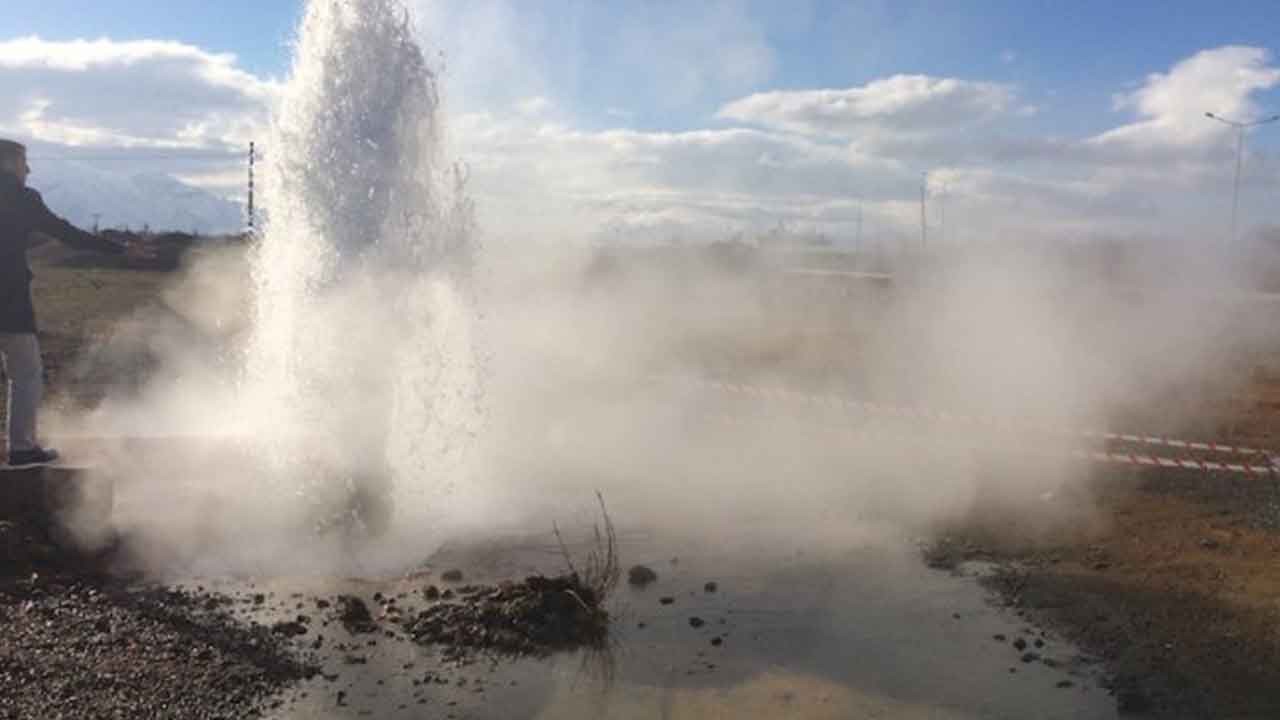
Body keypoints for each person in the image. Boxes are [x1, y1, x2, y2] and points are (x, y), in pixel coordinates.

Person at [0, 138, 150, 467]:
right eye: (24, 162)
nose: (29, 169)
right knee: (25, 373)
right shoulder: (21, 198)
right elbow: (67, 234)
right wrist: (121, 249)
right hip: (9, 305)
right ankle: (22, 448)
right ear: (9, 164)